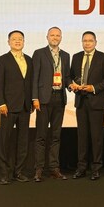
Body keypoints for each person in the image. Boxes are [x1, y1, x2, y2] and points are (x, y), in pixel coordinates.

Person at [69, 31, 104, 180]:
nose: (87, 43)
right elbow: (70, 77)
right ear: (82, 42)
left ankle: (96, 168)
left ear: (95, 42)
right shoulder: (76, 57)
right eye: (85, 41)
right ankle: (81, 167)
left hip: (97, 102)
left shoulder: (103, 57)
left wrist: (93, 88)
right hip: (81, 102)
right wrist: (72, 85)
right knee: (82, 137)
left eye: (90, 40)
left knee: (97, 137)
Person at [0, 30, 34, 185]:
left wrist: (31, 102)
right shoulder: (2, 60)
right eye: (14, 39)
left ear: (24, 42)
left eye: (20, 39)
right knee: (5, 140)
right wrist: (1, 103)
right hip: (8, 107)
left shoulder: (29, 60)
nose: (17, 41)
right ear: (8, 42)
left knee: (23, 141)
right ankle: (5, 173)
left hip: (25, 106)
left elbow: (30, 83)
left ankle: (19, 172)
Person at [31, 27, 71, 182]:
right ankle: (38, 169)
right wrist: (35, 98)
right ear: (47, 37)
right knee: (41, 135)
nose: (55, 37)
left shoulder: (65, 55)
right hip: (43, 100)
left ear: (61, 37)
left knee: (56, 135)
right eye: (52, 35)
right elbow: (35, 77)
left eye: (57, 35)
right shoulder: (39, 53)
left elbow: (66, 77)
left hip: (59, 98)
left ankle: (54, 168)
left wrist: (71, 85)